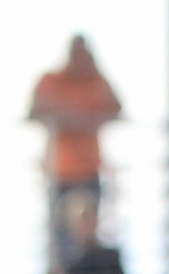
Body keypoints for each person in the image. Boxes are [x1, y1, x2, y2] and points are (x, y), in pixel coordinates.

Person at [28, 35, 123, 231]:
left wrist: (88, 120)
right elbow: (33, 112)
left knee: (89, 233)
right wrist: (62, 118)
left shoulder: (96, 81)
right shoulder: (51, 81)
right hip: (59, 169)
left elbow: (117, 109)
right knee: (59, 231)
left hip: (90, 169)